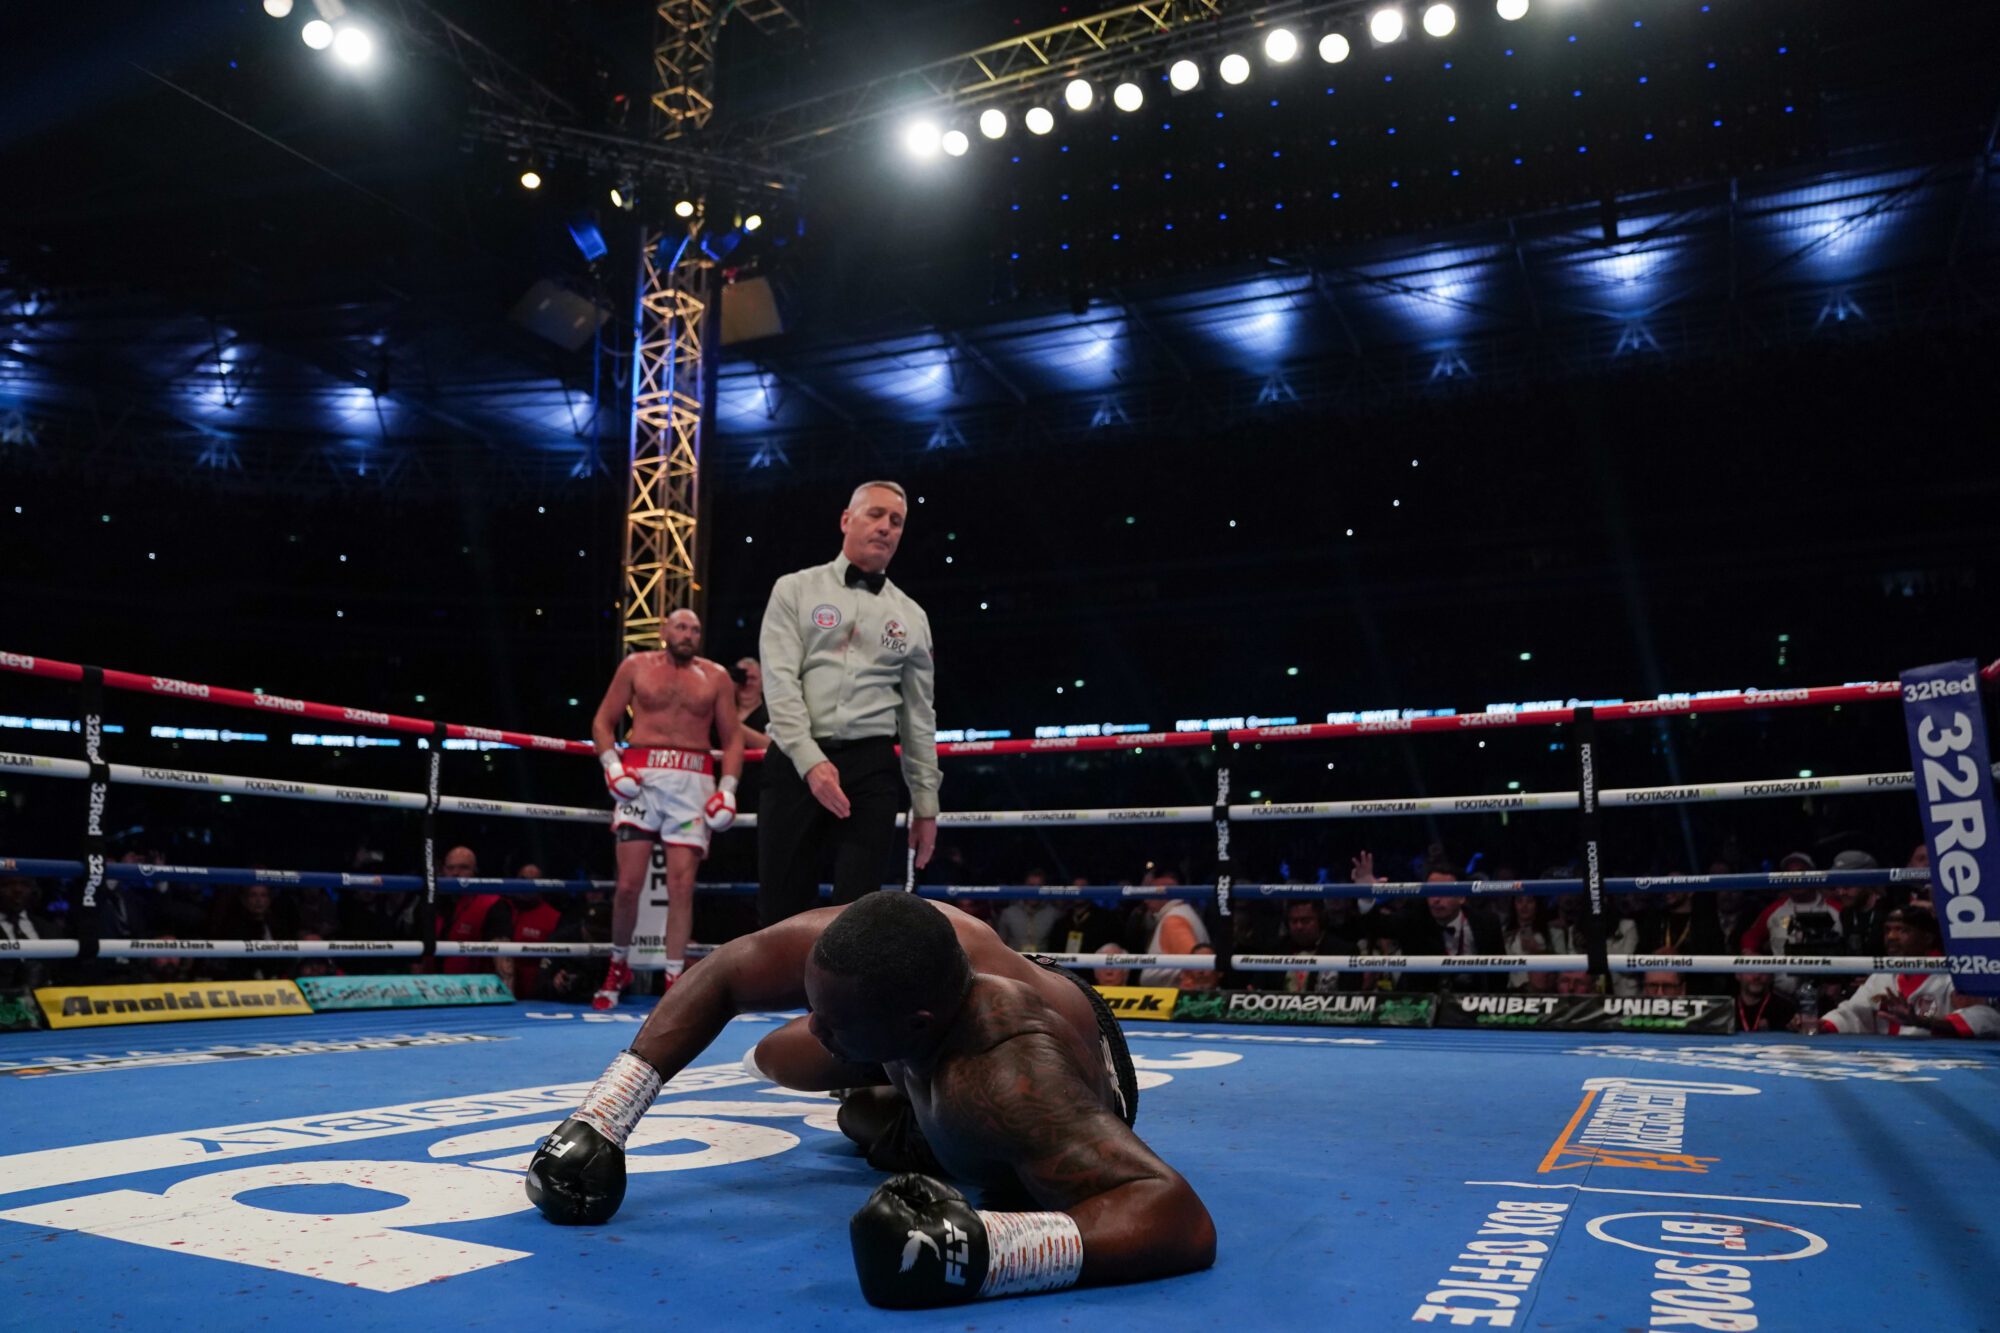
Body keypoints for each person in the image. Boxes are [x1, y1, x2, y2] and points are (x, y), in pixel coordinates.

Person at [525, 892, 1215, 1308]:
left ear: (912, 1026)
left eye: (834, 1021)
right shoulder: (888, 941)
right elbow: (731, 968)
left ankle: (911, 1120)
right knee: (784, 1059)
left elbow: (1177, 1214)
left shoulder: (1008, 1077)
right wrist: (604, 1115)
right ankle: (894, 1105)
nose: (817, 1027)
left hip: (1079, 1068)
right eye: (815, 1006)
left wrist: (984, 1251)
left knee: (881, 1112)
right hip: (945, 1031)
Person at [756, 481, 939, 924]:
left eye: (896, 521)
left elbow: (918, 716)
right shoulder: (794, 589)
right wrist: (810, 762)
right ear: (846, 520)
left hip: (871, 767)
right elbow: (779, 684)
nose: (886, 527)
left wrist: (926, 805)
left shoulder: (912, 616)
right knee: (781, 909)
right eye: (875, 514)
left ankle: (844, 977)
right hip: (795, 759)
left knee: (859, 915)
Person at [593, 606, 745, 1008]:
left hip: (692, 783)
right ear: (664, 630)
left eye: (695, 629)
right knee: (628, 885)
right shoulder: (635, 666)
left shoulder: (716, 676)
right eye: (680, 626)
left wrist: (728, 790)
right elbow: (602, 723)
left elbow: (732, 739)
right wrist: (612, 767)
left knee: (681, 887)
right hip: (641, 780)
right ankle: (617, 966)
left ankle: (675, 980)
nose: (688, 634)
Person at [1811, 906, 2000, 1038]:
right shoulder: (1882, 974)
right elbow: (1854, 1012)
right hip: (1888, 1059)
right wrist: (1823, 1024)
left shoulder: (1952, 974)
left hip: (1941, 1060)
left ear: (1927, 938)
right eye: (1887, 930)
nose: (1891, 937)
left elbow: (1985, 1018)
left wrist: (1922, 1022)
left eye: (1902, 930)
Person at [995, 869, 1059, 952]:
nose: (1034, 891)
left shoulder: (1053, 914)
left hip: (1042, 959)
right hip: (1014, 959)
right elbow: (1001, 944)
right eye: (1031, 886)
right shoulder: (1008, 913)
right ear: (1024, 887)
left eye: (1038, 886)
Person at [730, 657, 770, 750]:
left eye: (753, 678)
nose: (747, 682)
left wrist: (730, 724)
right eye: (741, 677)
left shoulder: (770, 714)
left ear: (762, 682)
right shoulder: (721, 709)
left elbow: (769, 745)